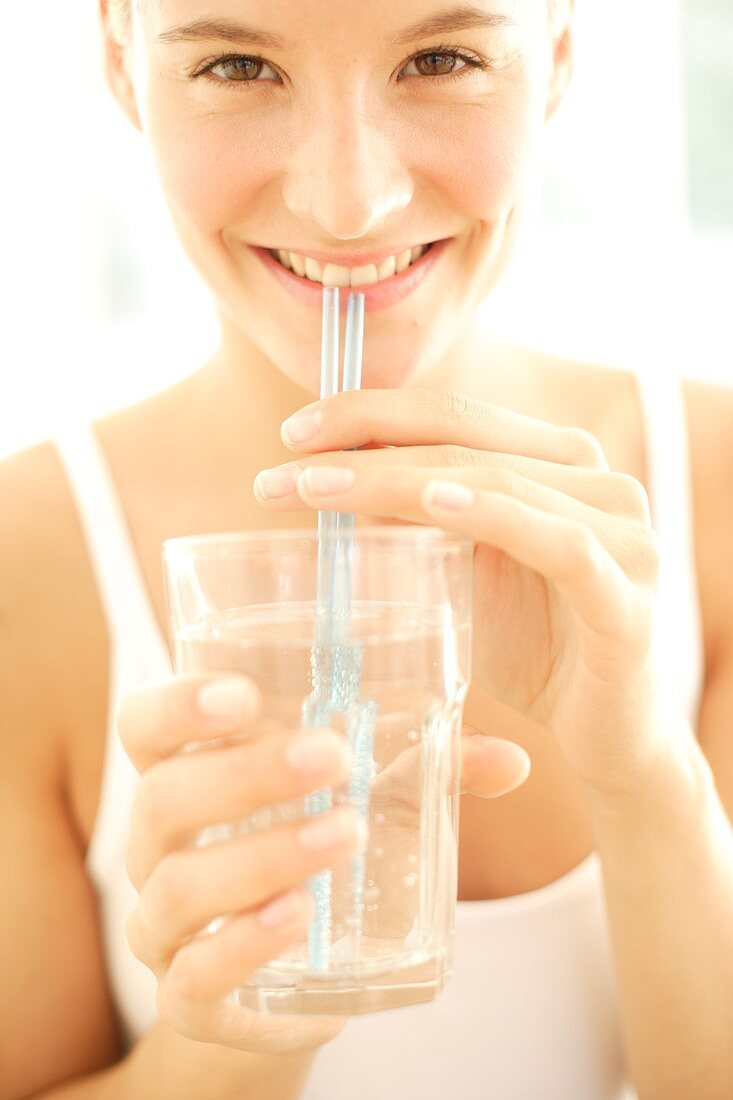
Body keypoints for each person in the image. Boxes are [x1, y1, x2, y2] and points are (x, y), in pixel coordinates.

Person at [2, 1, 733, 1098]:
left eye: (442, 57)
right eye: (238, 64)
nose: (349, 201)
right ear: (120, 58)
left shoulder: (712, 490)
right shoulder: (27, 559)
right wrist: (231, 1030)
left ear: (559, 51)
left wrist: (643, 776)